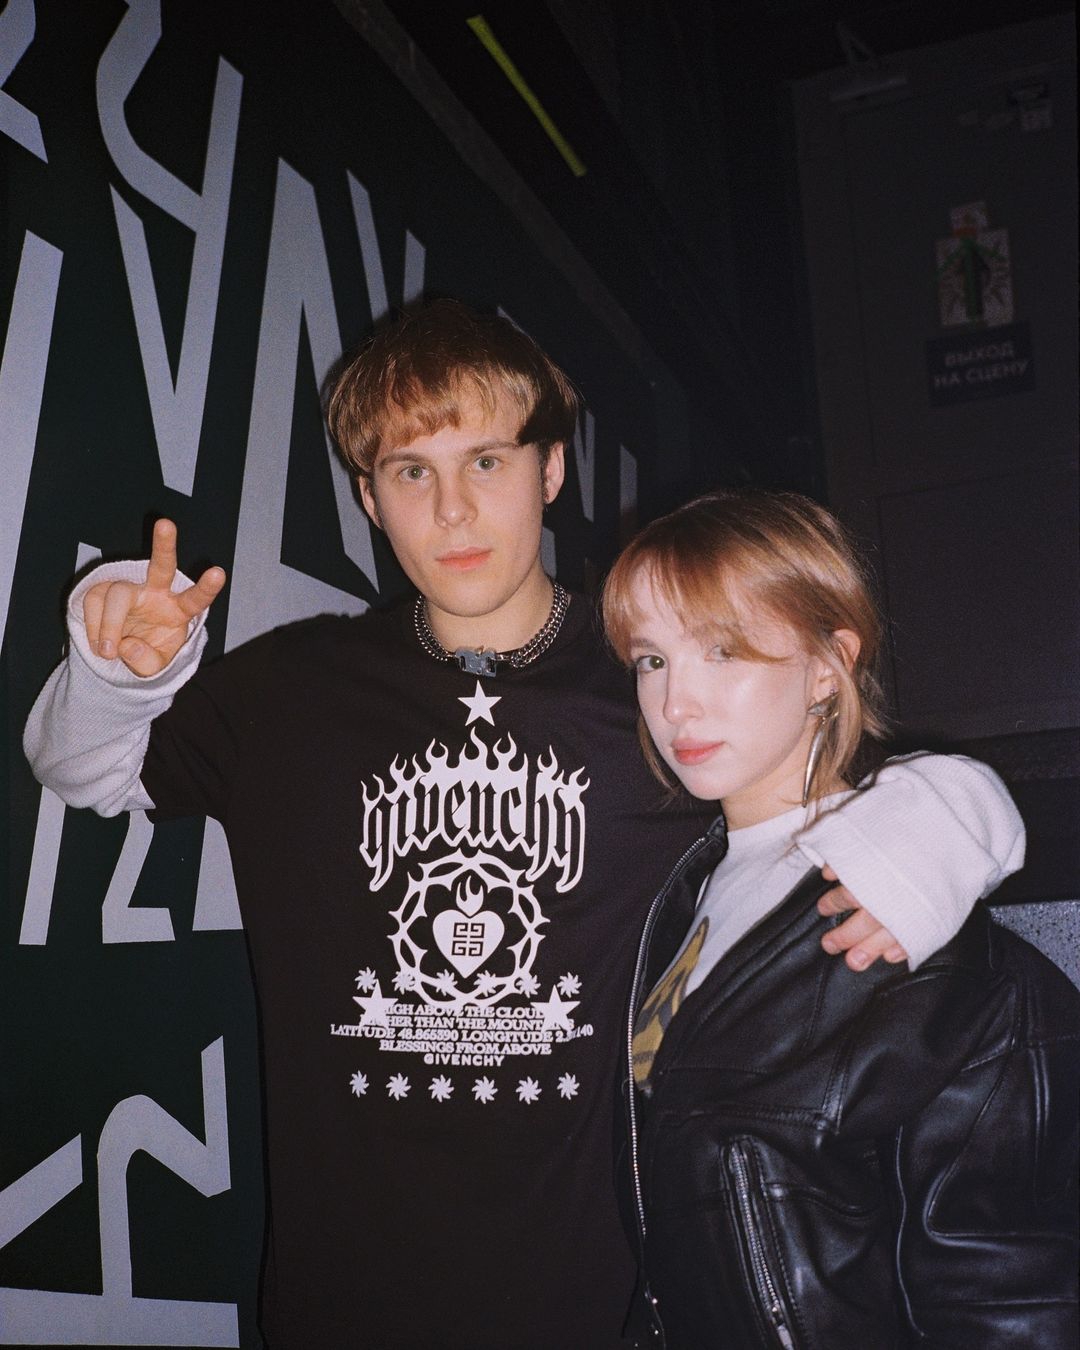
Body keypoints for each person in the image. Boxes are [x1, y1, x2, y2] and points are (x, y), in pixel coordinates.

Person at [25, 302, 1026, 1349]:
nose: (453, 509)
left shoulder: (654, 686)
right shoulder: (292, 692)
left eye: (488, 461)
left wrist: (950, 814)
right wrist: (117, 676)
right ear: (369, 497)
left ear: (550, 469)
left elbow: (834, 798)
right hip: (341, 1307)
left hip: (604, 1308)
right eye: (411, 472)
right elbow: (84, 771)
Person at [602, 488, 1080, 1350]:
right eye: (652, 660)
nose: (675, 705)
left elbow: (1003, 1291)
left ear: (829, 665)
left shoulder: (906, 908)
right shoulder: (678, 895)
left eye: (722, 650)